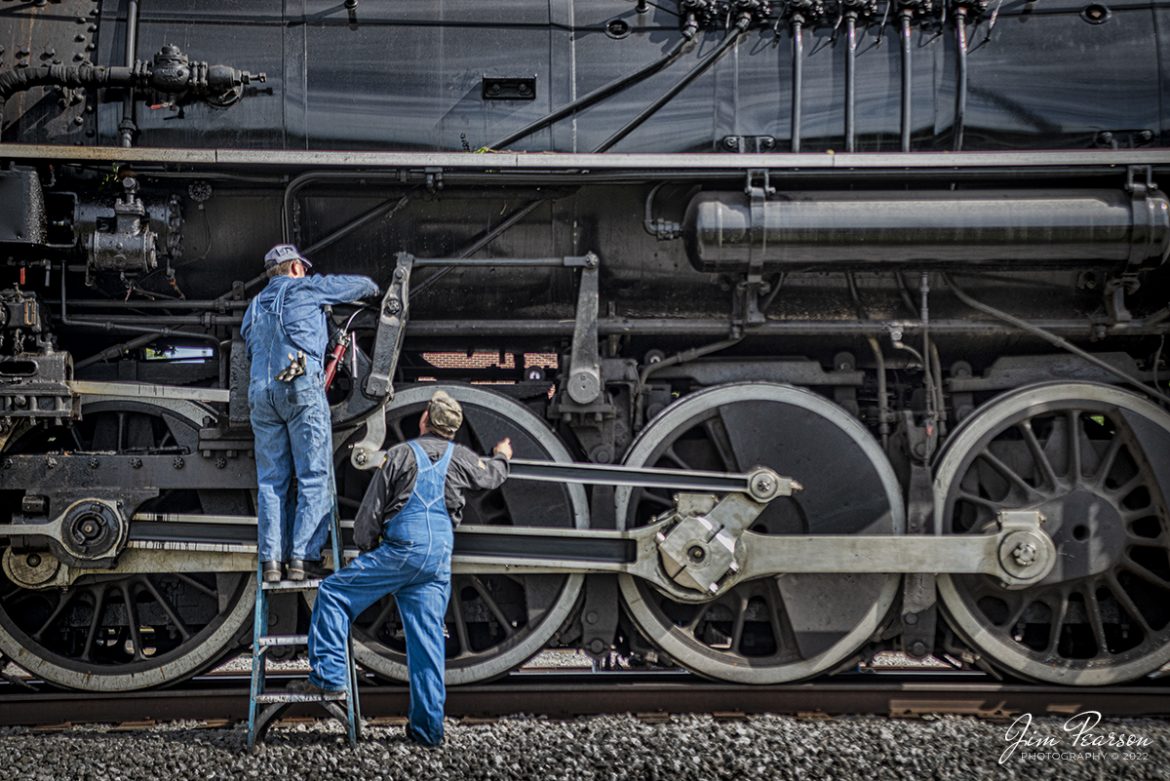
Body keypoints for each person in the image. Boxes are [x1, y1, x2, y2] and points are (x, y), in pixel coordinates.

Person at [299, 389, 513, 747]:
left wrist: (367, 549)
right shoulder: (461, 458)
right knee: (427, 646)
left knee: (334, 593)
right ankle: (427, 733)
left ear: (424, 420)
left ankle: (329, 674)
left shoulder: (399, 456)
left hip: (400, 552)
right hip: (437, 561)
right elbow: (491, 476)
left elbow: (370, 513)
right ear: (453, 430)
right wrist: (502, 456)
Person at [241, 243, 379, 583]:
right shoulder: (306, 287)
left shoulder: (254, 306)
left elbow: (248, 347)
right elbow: (357, 286)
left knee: (272, 482)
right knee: (313, 476)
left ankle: (272, 561)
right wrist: (375, 287)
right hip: (300, 387)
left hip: (261, 394)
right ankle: (304, 555)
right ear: (296, 268)